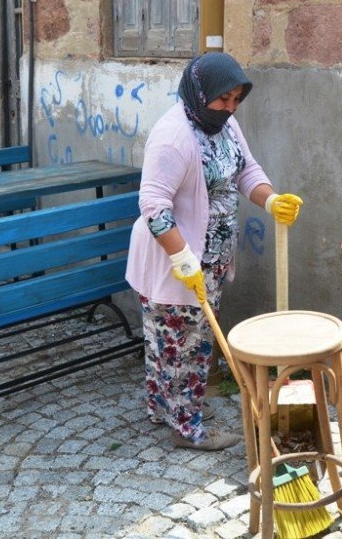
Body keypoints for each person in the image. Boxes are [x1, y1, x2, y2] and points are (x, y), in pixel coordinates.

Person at [125, 52, 303, 451]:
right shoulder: (173, 136)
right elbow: (153, 204)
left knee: (189, 338)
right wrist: (181, 257)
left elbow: (246, 171)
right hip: (175, 261)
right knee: (179, 343)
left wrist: (271, 200)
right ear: (199, 92)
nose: (230, 108)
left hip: (212, 257)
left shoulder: (225, 126)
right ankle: (187, 429)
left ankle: (167, 407)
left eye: (237, 99)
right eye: (223, 100)